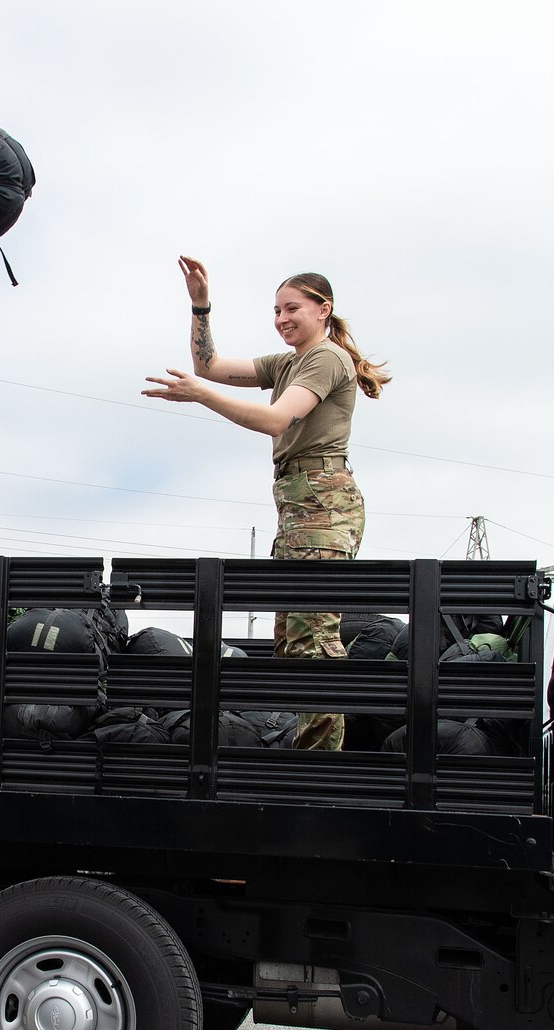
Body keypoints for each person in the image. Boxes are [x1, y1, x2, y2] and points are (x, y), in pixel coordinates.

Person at [142, 258, 389, 750]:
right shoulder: (287, 363)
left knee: (312, 642)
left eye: (292, 308)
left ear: (324, 309)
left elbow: (276, 420)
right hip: (300, 508)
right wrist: (200, 305)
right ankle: (310, 755)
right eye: (275, 310)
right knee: (294, 643)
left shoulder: (326, 358)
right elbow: (208, 366)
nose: (281, 318)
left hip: (322, 507)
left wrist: (201, 397)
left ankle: (319, 768)